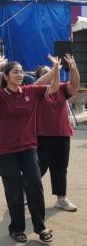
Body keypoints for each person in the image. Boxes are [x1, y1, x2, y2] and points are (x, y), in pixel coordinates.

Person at [0, 54, 60, 244]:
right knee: (14, 190)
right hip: (6, 150)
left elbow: (54, 88)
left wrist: (56, 69)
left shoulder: (30, 91)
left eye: (21, 72)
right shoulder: (1, 96)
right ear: (7, 76)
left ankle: (40, 227)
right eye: (15, 72)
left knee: (35, 185)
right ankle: (17, 228)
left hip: (28, 148)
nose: (19, 75)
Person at [35, 53, 80, 212]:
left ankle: (61, 199)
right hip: (43, 136)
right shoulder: (37, 92)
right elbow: (39, 83)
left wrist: (73, 69)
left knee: (60, 168)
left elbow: (74, 86)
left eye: (54, 71)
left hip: (62, 134)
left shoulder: (61, 89)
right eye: (47, 72)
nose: (53, 74)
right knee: (39, 168)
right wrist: (54, 70)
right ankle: (25, 191)